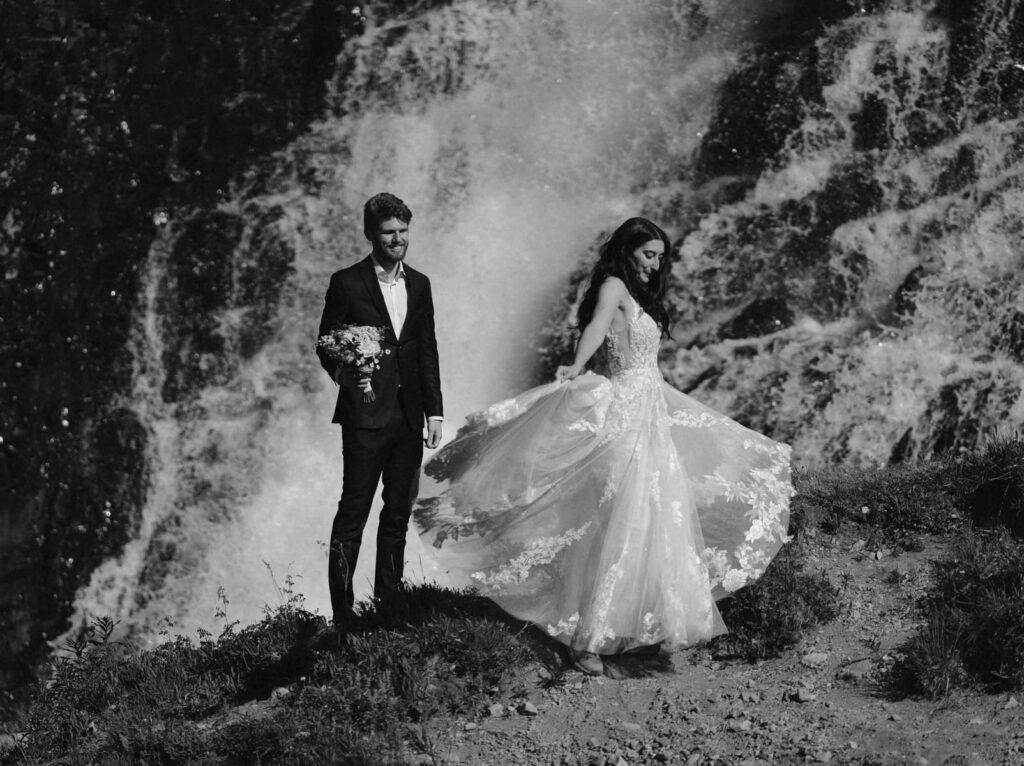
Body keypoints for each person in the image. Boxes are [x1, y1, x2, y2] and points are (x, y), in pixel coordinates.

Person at [415, 217, 792, 676]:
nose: (656, 264)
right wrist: (575, 366)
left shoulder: (639, 293)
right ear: (627, 250)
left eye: (660, 257)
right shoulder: (613, 285)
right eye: (649, 254)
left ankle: (636, 629)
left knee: (656, 515)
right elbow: (594, 328)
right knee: (621, 516)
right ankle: (587, 639)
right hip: (625, 414)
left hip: (651, 408)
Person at [317, 192, 443, 626]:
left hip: (409, 417)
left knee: (397, 514)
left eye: (403, 231)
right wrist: (342, 373)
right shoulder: (347, 282)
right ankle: (343, 615)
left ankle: (389, 605)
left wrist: (435, 413)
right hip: (365, 417)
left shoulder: (420, 284)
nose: (397, 239)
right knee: (354, 513)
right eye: (389, 232)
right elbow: (325, 342)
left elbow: (427, 349)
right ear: (371, 234)